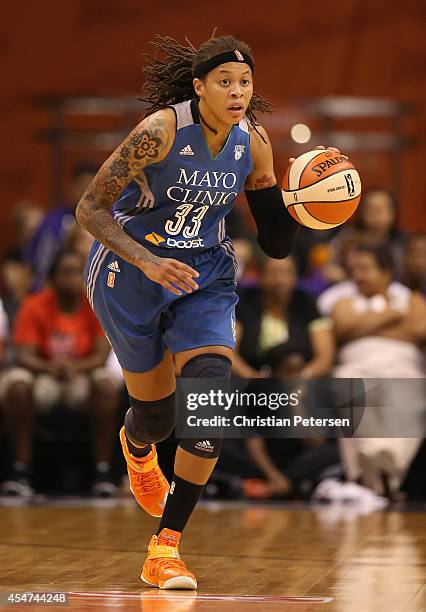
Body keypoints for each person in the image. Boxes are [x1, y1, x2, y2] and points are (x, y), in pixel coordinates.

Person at [76, 33, 344, 589]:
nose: (238, 91)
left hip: (205, 277)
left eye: (245, 81)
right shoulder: (159, 132)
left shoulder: (256, 143)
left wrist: (301, 205)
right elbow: (91, 209)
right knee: (157, 417)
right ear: (199, 88)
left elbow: (273, 244)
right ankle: (137, 441)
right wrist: (147, 260)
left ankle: (165, 549)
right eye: (225, 81)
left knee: (208, 406)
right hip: (131, 275)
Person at [0, 250, 121, 497]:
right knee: (17, 386)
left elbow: (101, 356)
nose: (73, 278)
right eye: (66, 272)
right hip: (44, 375)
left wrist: (75, 368)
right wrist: (51, 367)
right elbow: (23, 355)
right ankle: (21, 470)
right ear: (53, 277)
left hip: (83, 375)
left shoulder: (96, 303)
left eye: (78, 272)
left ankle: (103, 472)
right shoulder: (35, 304)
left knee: (106, 386)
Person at [331, 245, 426, 497]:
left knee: (413, 389)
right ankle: (369, 472)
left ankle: (386, 461)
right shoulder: (344, 301)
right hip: (357, 364)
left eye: (365, 268)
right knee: (346, 382)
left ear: (386, 272)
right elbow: (343, 328)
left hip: (403, 365)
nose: (359, 275)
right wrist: (392, 317)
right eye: (355, 269)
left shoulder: (411, 298)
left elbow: (420, 330)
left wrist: (365, 326)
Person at [234, 255, 335, 378]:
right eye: (274, 272)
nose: (281, 279)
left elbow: (324, 358)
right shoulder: (245, 302)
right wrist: (251, 377)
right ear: (261, 276)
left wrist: (301, 377)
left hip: (299, 381)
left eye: (288, 272)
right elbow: (230, 352)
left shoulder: (306, 303)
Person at [27, 162, 98, 291]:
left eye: (92, 187)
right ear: (73, 187)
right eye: (83, 186)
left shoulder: (109, 222)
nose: (87, 192)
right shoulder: (53, 222)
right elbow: (39, 267)